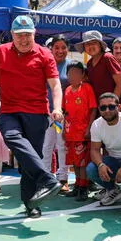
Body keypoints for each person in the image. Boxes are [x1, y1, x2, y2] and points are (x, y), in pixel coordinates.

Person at [0, 15, 63, 218]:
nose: (24, 39)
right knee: (11, 136)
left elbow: (55, 84)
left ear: (34, 34)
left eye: (27, 35)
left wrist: (58, 108)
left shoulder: (45, 54)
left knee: (31, 158)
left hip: (37, 113)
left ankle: (31, 204)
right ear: (12, 35)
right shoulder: (1, 52)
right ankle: (47, 179)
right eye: (19, 35)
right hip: (9, 111)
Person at [61, 61, 97, 201]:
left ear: (83, 74)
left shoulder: (87, 88)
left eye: (76, 72)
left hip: (83, 132)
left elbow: (93, 108)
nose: (73, 75)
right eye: (70, 73)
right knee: (74, 162)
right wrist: (64, 130)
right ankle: (77, 185)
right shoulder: (67, 90)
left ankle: (84, 187)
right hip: (70, 133)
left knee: (83, 162)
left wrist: (89, 127)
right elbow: (65, 112)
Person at [42, 34, 72, 192]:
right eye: (57, 48)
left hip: (63, 115)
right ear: (51, 49)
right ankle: (46, 178)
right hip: (46, 113)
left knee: (62, 146)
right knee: (46, 146)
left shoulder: (72, 65)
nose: (60, 51)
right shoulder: (45, 64)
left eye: (63, 47)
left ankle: (63, 179)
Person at [74, 30, 121, 108]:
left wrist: (112, 104)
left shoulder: (107, 58)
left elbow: (120, 83)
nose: (90, 46)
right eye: (87, 44)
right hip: (99, 107)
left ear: (100, 45)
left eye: (94, 43)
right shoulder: (89, 63)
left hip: (113, 108)